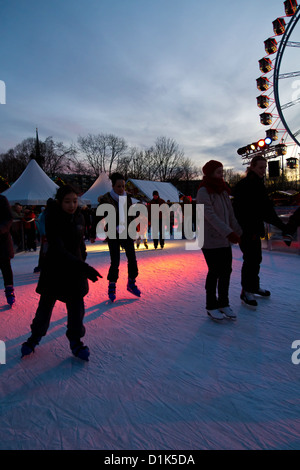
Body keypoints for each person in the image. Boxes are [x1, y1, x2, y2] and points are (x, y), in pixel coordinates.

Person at [21, 185, 102, 361]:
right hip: (55, 270)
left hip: (75, 271)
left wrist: (83, 256)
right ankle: (34, 338)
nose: (72, 205)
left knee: (76, 309)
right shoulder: (53, 218)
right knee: (45, 307)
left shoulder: (79, 217)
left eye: (74, 201)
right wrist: (83, 267)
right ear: (59, 201)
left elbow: (80, 242)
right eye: (67, 201)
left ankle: (76, 342)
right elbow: (58, 249)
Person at [232, 155, 286, 307]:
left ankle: (253, 287)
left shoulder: (257, 183)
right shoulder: (246, 184)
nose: (264, 171)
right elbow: (250, 210)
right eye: (261, 167)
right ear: (253, 167)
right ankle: (246, 291)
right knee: (250, 260)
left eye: (265, 168)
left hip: (253, 229)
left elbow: (265, 209)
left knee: (255, 259)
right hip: (246, 230)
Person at [196, 160, 242, 320]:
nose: (221, 174)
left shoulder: (222, 191)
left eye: (222, 171)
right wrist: (229, 233)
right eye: (218, 172)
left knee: (226, 272)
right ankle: (211, 305)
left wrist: (239, 233)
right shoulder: (203, 191)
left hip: (224, 240)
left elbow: (230, 215)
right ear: (209, 174)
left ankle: (224, 303)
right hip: (209, 240)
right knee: (215, 271)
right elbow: (210, 216)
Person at [91, 172, 141, 302]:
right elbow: (97, 217)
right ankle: (112, 285)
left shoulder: (127, 198)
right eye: (118, 186)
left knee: (132, 258)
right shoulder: (106, 199)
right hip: (113, 234)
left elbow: (130, 215)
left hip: (127, 232)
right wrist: (93, 233)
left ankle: (131, 282)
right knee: (115, 261)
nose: (121, 189)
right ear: (113, 186)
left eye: (123, 186)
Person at [0, 195, 15, 306]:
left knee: (5, 267)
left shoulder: (2, 199)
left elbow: (9, 218)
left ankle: (9, 290)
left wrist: (1, 229)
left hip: (2, 242)